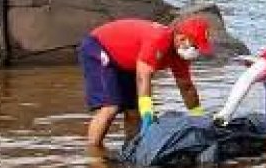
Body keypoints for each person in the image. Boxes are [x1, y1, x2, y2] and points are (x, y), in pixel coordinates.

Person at [79, 16, 212, 148]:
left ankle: (132, 147)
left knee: (134, 111)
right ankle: (94, 154)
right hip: (99, 48)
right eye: (195, 46)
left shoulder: (180, 55)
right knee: (110, 107)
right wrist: (148, 114)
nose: (195, 51)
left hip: (128, 60)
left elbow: (186, 86)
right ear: (181, 38)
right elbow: (143, 77)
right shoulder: (159, 39)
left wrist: (198, 116)